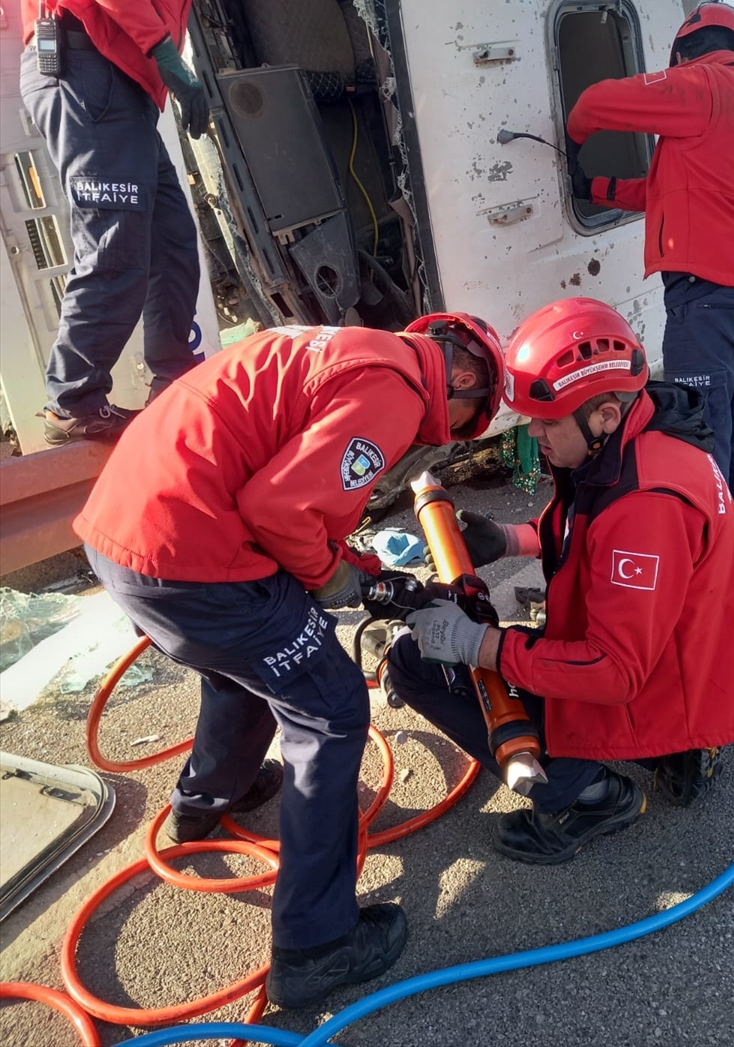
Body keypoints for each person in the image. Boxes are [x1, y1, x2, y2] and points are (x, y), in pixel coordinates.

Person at [73, 312, 504, 1007]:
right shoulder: (396, 390)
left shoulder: (340, 348)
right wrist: (338, 585)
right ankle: (316, 946)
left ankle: (208, 799)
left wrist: (365, 572)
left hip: (127, 536)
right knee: (330, 708)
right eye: (462, 421)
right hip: (194, 556)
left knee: (241, 667)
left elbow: (292, 495)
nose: (441, 438)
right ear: (458, 378)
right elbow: (281, 512)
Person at [388, 297, 734, 866]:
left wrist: (478, 645)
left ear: (605, 413)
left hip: (643, 683)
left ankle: (585, 796)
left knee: (417, 664)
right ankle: (682, 750)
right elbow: (594, 535)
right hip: (693, 669)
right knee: (496, 646)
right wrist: (513, 540)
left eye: (547, 421)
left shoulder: (647, 509)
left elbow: (612, 672)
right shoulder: (644, 439)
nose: (534, 434)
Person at [18, 0, 235, 446]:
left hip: (123, 78)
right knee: (117, 235)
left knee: (169, 240)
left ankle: (173, 380)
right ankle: (74, 401)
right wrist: (164, 50)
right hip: (87, 58)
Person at [566, 0, 734, 565]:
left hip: (712, 296)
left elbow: (596, 102)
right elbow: (671, 191)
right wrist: (600, 189)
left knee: (698, 428)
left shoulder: (704, 84)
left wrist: (573, 136)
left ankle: (708, 560)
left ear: (686, 50)